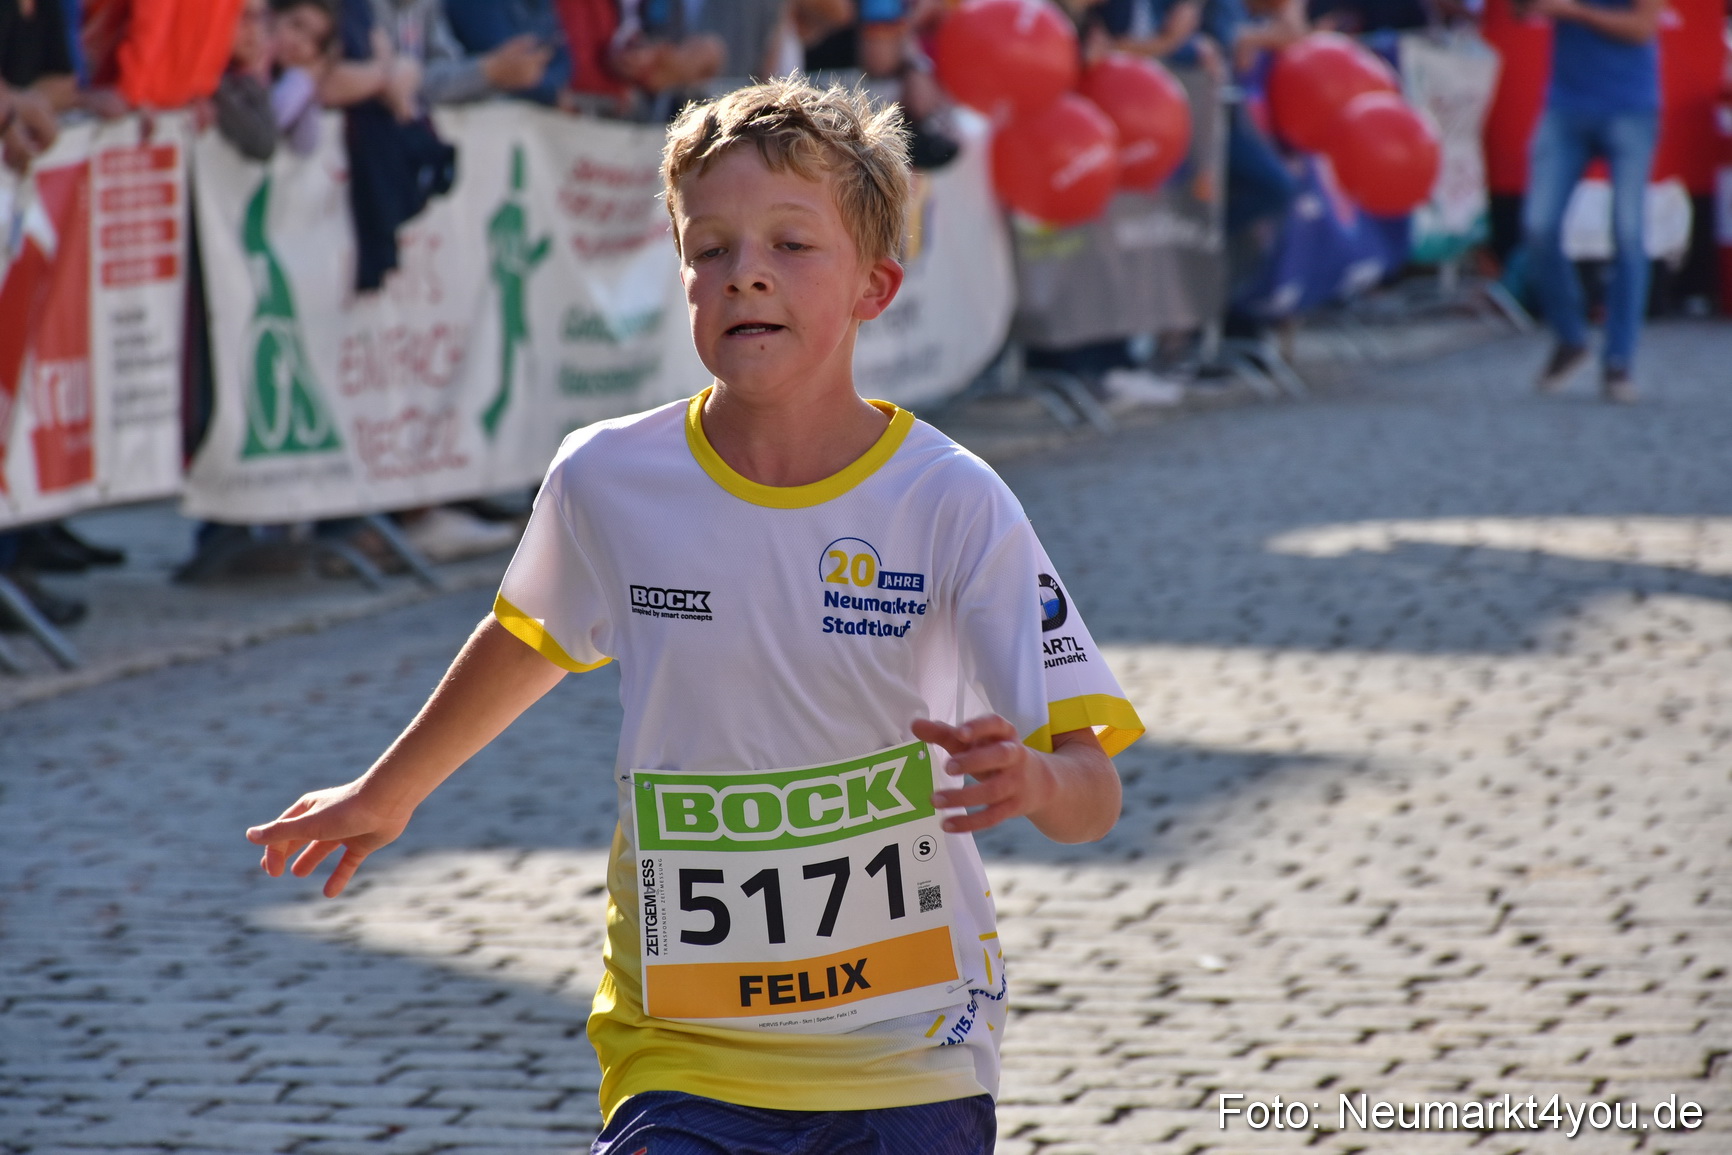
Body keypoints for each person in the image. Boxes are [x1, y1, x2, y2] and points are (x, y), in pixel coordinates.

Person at [245, 78, 1143, 1152]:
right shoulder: (607, 477)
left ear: (876, 284)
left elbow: (1093, 795)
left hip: (908, 1056)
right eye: (707, 247)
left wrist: (1037, 780)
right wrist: (386, 792)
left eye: (790, 244)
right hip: (678, 1054)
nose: (744, 270)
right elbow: (530, 637)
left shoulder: (952, 502)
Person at [1521, 0, 1662, 403]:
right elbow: (1521, 12)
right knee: (1539, 226)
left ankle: (1619, 360)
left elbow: (1642, 27)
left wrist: (1575, 12)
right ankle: (1570, 337)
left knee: (1628, 231)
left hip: (1630, 106)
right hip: (1565, 106)